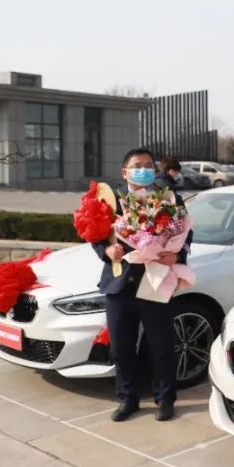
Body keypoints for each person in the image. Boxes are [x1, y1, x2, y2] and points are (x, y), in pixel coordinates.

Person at [92, 148, 190, 422]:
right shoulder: (109, 201)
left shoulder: (169, 198)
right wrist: (105, 251)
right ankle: (128, 398)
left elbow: (186, 234)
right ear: (125, 172)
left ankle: (165, 399)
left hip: (156, 281)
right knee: (121, 348)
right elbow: (95, 233)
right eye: (137, 165)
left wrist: (177, 256)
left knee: (161, 346)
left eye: (148, 165)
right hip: (119, 284)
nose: (143, 170)